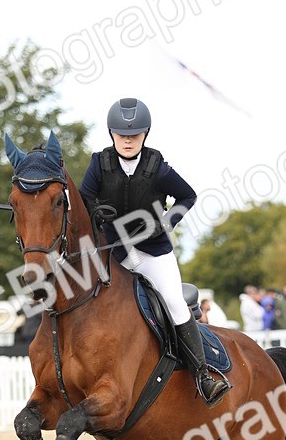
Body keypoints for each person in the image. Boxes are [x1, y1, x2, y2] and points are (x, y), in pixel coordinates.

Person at [79, 97, 230, 406]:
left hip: (153, 252)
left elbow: (188, 196)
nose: (128, 140)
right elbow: (84, 199)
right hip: (114, 253)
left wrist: (166, 221)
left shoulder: (157, 166)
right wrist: (96, 215)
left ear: (145, 134)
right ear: (112, 134)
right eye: (122, 134)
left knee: (175, 302)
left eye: (134, 135)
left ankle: (203, 374)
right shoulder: (100, 163)